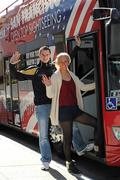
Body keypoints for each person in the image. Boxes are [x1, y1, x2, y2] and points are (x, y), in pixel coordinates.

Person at [42, 52, 96, 174]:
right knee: (68, 138)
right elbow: (50, 95)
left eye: (66, 61)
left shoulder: (72, 75)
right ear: (57, 63)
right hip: (63, 111)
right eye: (61, 61)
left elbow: (83, 87)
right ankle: (69, 164)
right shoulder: (55, 76)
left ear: (68, 62)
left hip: (74, 109)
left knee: (96, 123)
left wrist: (98, 84)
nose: (64, 63)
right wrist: (48, 85)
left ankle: (98, 146)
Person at [9, 46, 55, 171]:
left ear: (50, 55)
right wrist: (11, 65)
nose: (45, 57)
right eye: (43, 54)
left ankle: (77, 150)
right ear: (39, 56)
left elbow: (67, 62)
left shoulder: (55, 68)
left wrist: (77, 47)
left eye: (47, 54)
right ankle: (46, 161)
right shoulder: (34, 69)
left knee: (71, 128)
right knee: (44, 136)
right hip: (42, 106)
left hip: (57, 105)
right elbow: (17, 76)